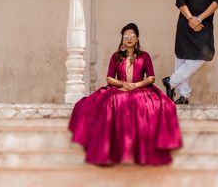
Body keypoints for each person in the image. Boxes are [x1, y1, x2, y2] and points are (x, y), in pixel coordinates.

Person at [68, 23, 182, 165]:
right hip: (120, 87)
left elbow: (151, 77)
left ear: (137, 38)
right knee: (106, 102)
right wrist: (123, 84)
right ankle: (110, 149)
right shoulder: (116, 56)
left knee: (151, 104)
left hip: (140, 87)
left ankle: (139, 151)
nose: (129, 38)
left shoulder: (144, 56)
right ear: (122, 39)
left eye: (132, 36)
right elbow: (109, 78)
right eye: (126, 36)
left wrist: (135, 85)